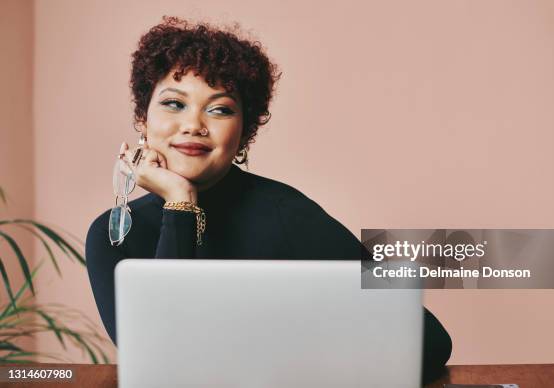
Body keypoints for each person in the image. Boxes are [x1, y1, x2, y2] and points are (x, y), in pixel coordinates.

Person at [85, 16, 452, 384]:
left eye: (220, 109)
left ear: (245, 132)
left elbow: (429, 340)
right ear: (142, 119)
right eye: (174, 104)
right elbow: (160, 365)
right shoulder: (112, 234)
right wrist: (179, 201)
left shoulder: (286, 213)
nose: (194, 124)